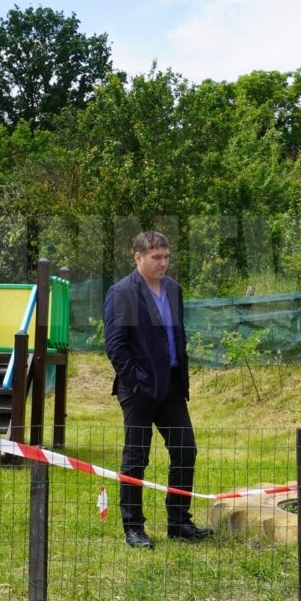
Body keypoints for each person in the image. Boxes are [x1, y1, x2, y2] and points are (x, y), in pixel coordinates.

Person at [104, 231, 213, 549]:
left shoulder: (173, 290)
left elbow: (176, 336)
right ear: (138, 257)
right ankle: (133, 528)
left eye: (166, 256)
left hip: (172, 388)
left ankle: (179, 522)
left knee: (185, 451)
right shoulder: (122, 293)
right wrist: (136, 381)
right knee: (136, 457)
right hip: (138, 390)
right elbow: (115, 346)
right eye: (156, 257)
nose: (163, 263)